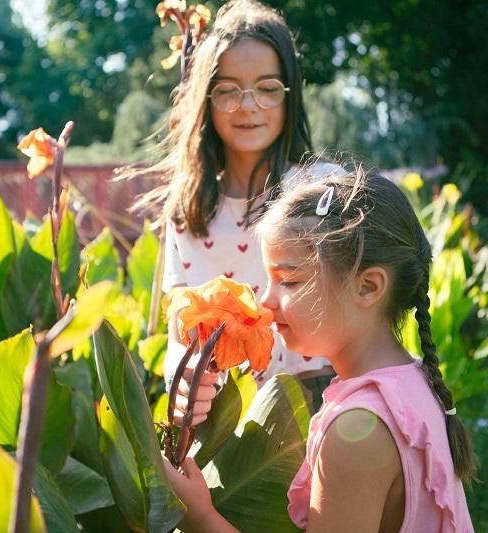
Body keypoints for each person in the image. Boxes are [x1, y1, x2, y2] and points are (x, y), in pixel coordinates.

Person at [164, 169, 476, 531]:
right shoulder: (413, 381)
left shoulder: (358, 430)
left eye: (288, 281)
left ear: (368, 287)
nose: (265, 300)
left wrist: (199, 516)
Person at [132, 0, 341, 420]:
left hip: (318, 393)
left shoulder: (322, 188)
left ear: (290, 95)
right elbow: (178, 337)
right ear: (205, 100)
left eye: (267, 88)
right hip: (221, 408)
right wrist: (185, 376)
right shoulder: (185, 208)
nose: (248, 106)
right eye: (228, 90)